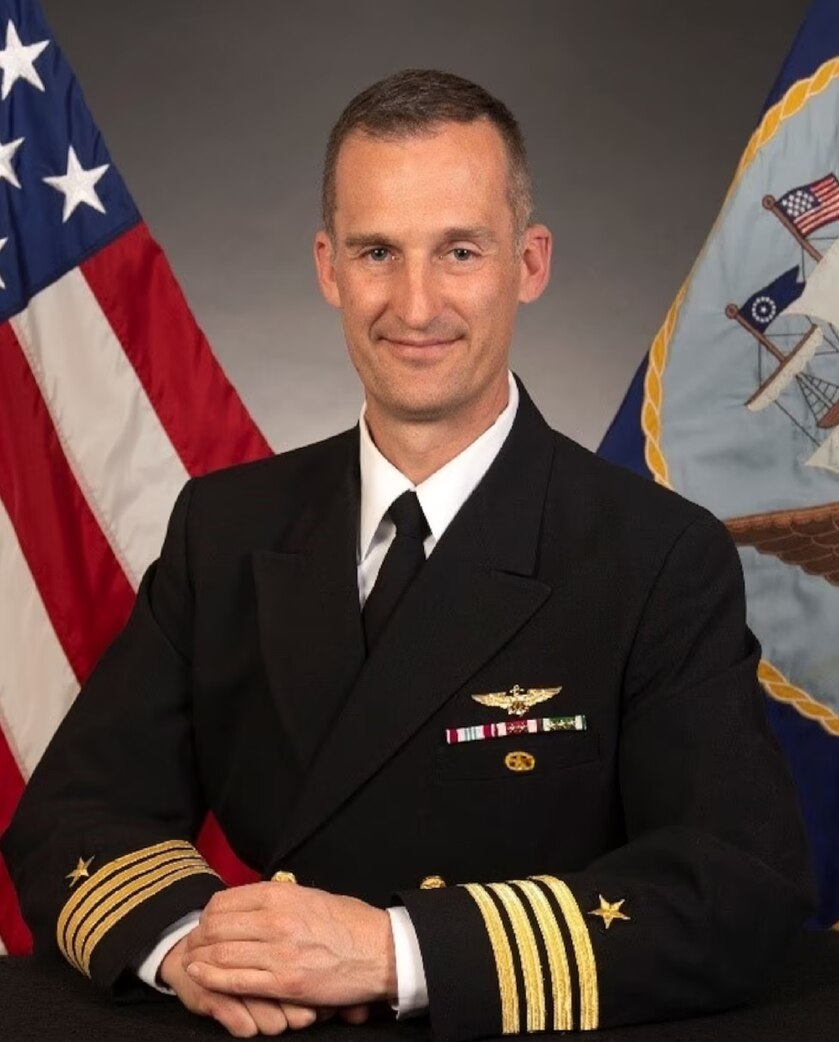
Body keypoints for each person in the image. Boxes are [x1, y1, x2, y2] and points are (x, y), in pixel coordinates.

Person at [3, 69, 813, 1041]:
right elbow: (73, 814)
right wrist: (194, 949)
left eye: (459, 251)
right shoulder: (225, 529)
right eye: (377, 252)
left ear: (528, 264)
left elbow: (737, 886)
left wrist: (396, 953)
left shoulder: (653, 555)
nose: (414, 304)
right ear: (328, 268)